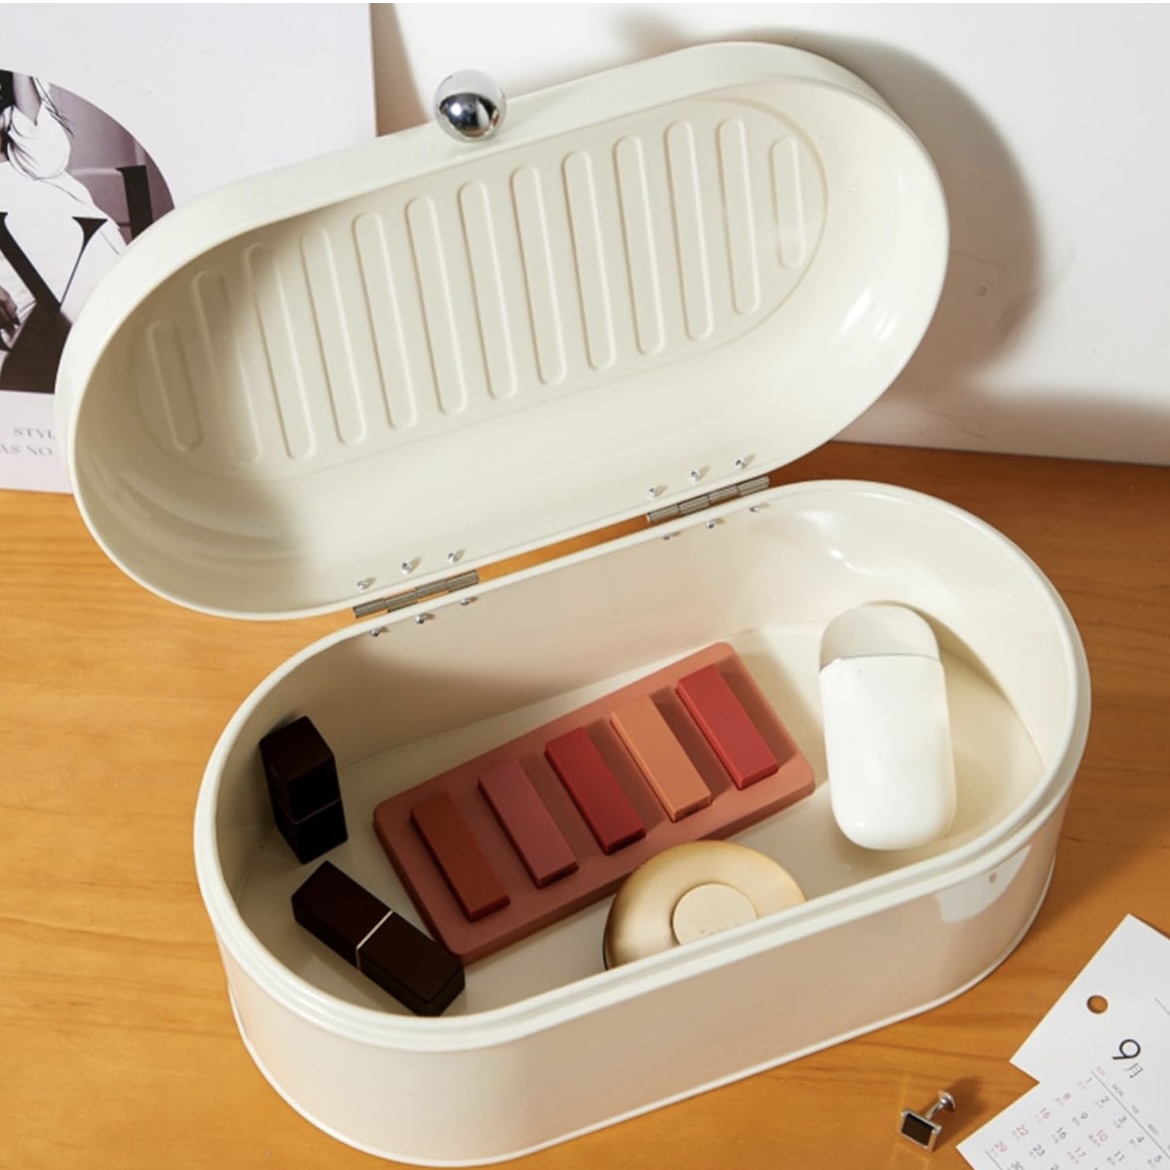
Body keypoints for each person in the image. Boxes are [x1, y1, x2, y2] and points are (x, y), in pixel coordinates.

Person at [0, 71, 125, 390]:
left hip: (71, 245)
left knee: (120, 367)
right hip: (13, 274)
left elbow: (45, 159)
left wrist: (19, 67)